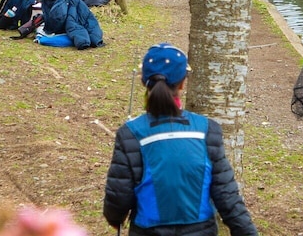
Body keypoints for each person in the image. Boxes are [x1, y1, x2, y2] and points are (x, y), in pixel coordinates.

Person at [105, 44, 258, 236]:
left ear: (144, 82)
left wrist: (115, 218)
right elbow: (227, 196)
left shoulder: (129, 133)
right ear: (182, 83)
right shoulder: (208, 130)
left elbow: (119, 195)